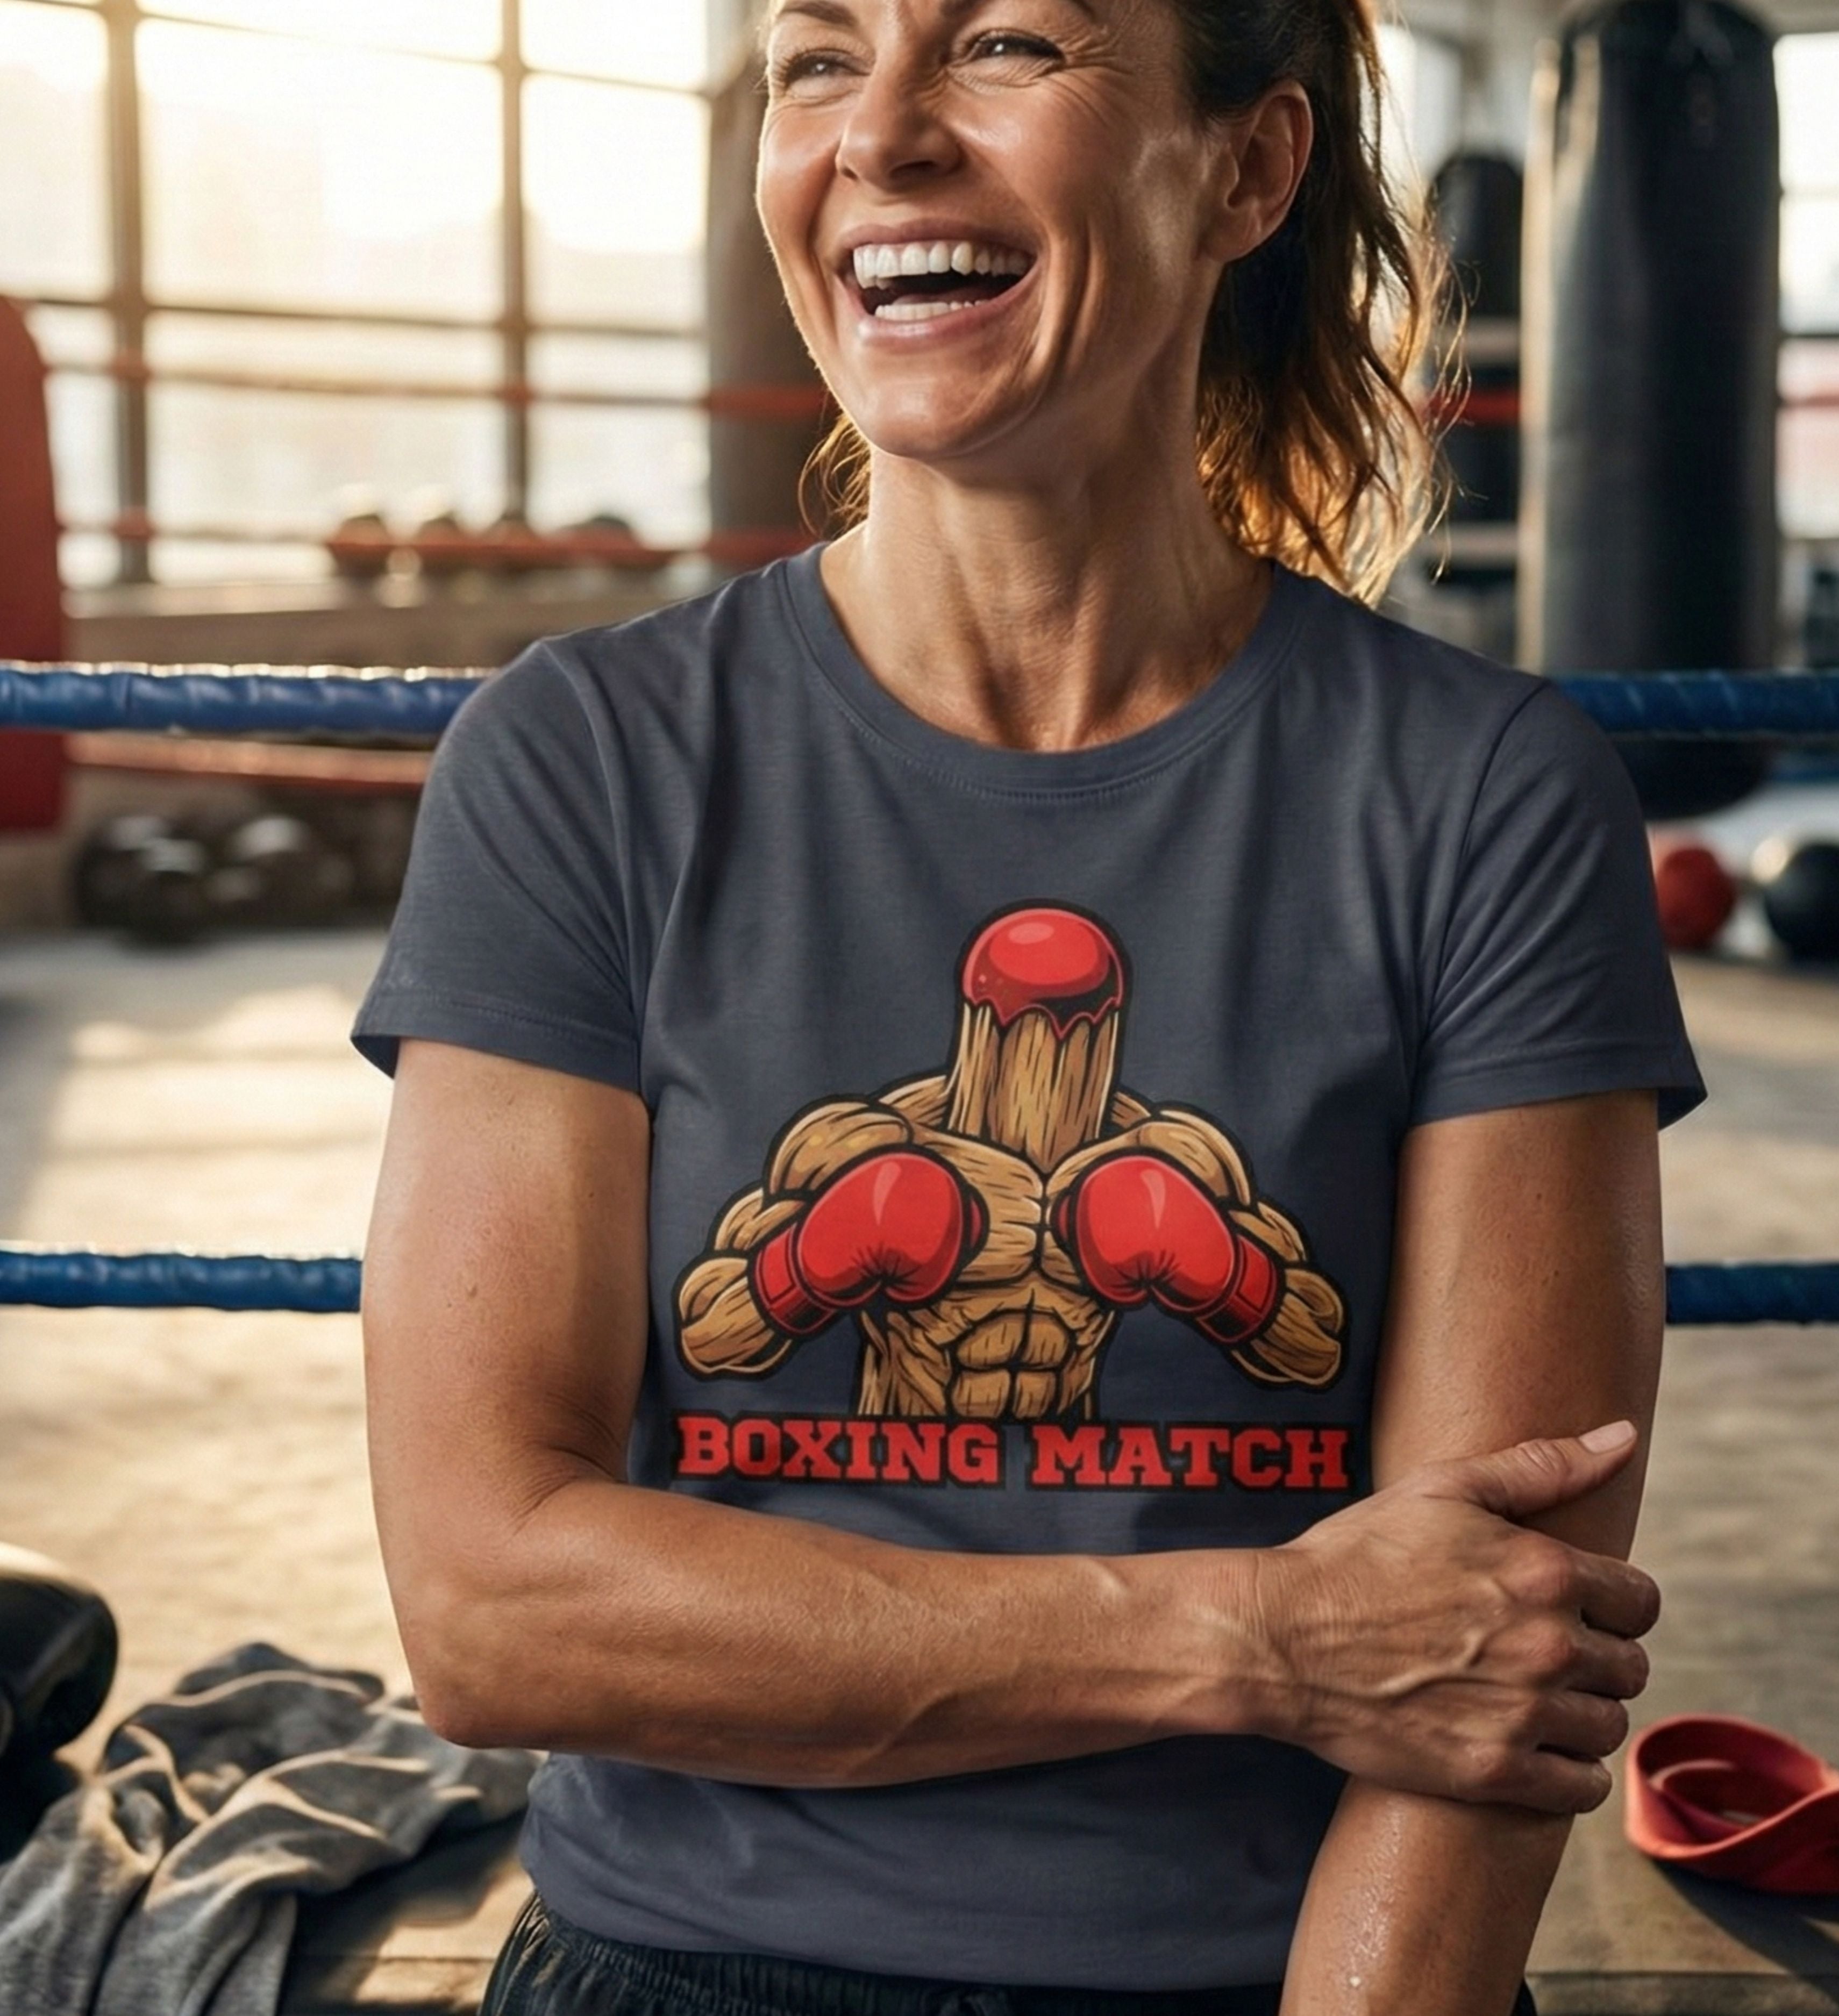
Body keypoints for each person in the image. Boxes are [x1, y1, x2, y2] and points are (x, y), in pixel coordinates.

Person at [352, 0, 1705, 2009]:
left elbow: (1485, 1668)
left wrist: (1221, 1282)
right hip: (695, 1957)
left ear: (1247, 168)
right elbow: (495, 1612)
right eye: (816, 58)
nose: (879, 135)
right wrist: (1258, 1633)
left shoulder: (1479, 795)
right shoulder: (589, 764)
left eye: (1004, 44)